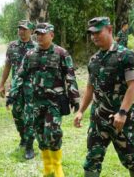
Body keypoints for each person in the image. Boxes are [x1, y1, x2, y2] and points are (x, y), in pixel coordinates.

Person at [7, 23, 80, 177]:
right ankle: (48, 167)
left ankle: (57, 166)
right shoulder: (30, 54)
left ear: (51, 35)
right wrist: (12, 94)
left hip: (54, 102)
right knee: (40, 134)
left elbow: (70, 76)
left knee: (52, 132)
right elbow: (20, 75)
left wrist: (74, 98)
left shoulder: (61, 53)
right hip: (35, 102)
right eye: (37, 34)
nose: (39, 37)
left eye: (43, 34)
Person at [74, 17, 134, 177]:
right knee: (92, 160)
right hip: (98, 119)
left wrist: (122, 112)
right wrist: (81, 111)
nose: (94, 36)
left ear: (110, 30)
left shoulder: (127, 56)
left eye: (98, 32)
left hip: (122, 121)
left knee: (131, 159)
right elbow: (90, 88)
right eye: (91, 33)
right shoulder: (94, 60)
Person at [0, 20, 36, 159]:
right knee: (17, 114)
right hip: (16, 87)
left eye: (24, 29)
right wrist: (2, 84)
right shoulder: (12, 46)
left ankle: (30, 146)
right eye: (19, 29)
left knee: (30, 116)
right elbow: (7, 66)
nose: (21, 31)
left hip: (32, 87)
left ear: (31, 31)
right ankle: (23, 137)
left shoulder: (37, 47)